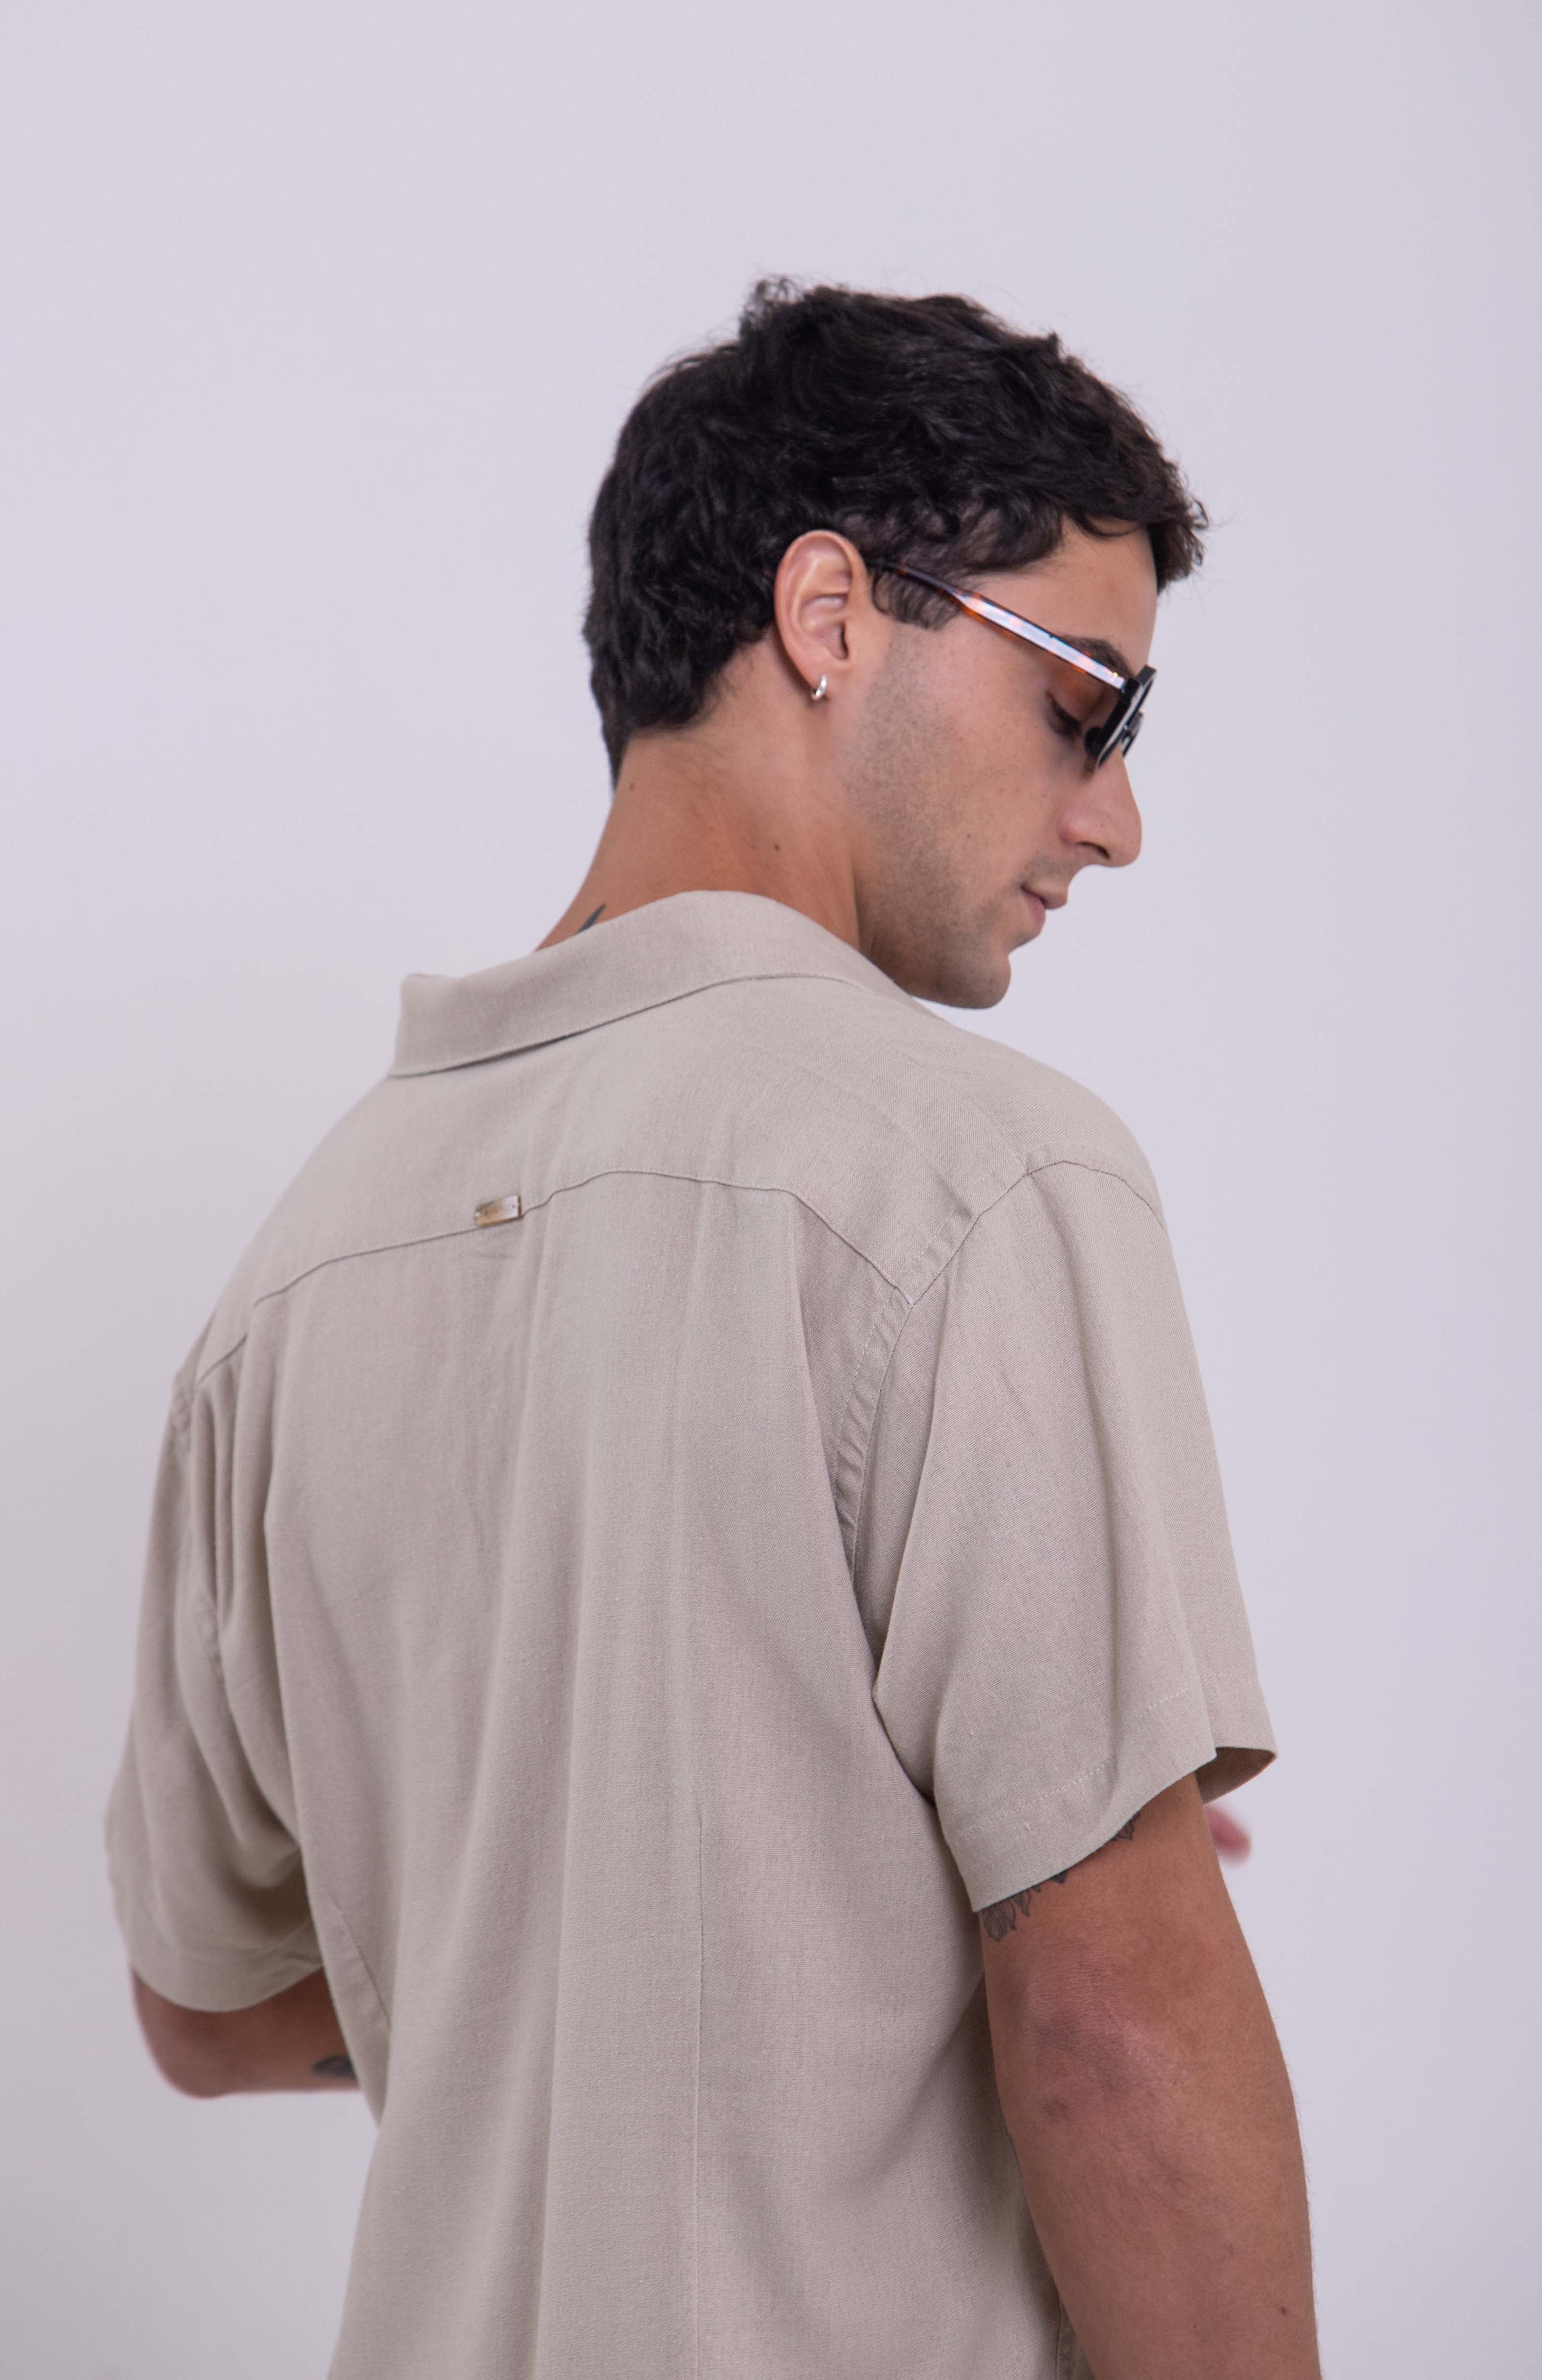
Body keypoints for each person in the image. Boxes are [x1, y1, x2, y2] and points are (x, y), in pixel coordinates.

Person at [109, 280, 1320, 2380]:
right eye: (1087, 707)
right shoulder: (973, 1176)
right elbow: (1112, 2019)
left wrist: (575, 1963)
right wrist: (1029, 1905)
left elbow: (202, 2009)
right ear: (829, 612)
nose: (1117, 816)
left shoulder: (293, 1281)